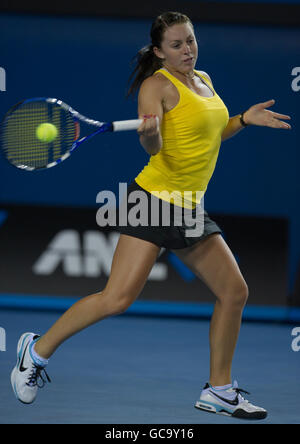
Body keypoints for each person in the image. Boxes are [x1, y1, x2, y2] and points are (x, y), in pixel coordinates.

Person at [11, 11, 291, 419]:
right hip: (153, 202)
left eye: (190, 41)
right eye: (176, 45)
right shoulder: (156, 86)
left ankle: (220, 390)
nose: (187, 50)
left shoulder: (205, 81)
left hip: (189, 207)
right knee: (117, 298)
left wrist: (244, 119)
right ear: (159, 51)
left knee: (234, 292)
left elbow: (210, 135)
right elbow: (155, 148)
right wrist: (150, 132)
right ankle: (35, 352)